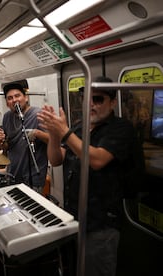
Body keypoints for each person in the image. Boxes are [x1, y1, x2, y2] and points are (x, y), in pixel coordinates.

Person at [37, 76, 143, 276]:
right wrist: (53, 134)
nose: (92, 105)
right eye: (88, 100)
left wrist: (65, 132)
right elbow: (56, 159)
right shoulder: (79, 127)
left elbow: (97, 159)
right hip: (74, 216)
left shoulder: (121, 129)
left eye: (98, 99)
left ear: (112, 102)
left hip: (101, 222)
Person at [0, 82, 49, 192]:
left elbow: (54, 140)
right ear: (7, 103)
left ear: (26, 98)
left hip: (33, 177)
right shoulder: (7, 117)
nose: (14, 100)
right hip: (13, 174)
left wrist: (37, 133)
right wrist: (0, 140)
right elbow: (6, 148)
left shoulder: (38, 115)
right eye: (10, 98)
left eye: (17, 96)